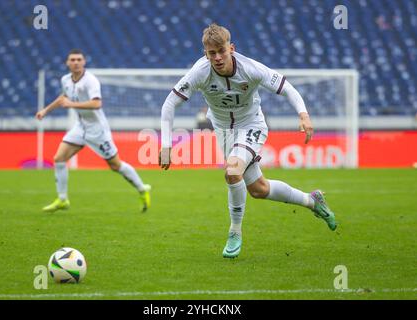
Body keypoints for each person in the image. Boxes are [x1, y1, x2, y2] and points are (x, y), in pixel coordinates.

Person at [159, 24, 337, 259]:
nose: (218, 57)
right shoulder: (199, 72)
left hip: (251, 126)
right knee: (258, 189)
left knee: (233, 171)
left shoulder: (251, 68)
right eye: (212, 53)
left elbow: (287, 88)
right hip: (223, 131)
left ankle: (234, 232)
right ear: (205, 54)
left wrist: (303, 115)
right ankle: (313, 201)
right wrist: (166, 144)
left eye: (222, 50)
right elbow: (170, 103)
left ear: (231, 48)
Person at [36, 49, 151, 213]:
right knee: (59, 158)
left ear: (84, 62)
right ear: (67, 63)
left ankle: (142, 188)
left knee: (115, 165)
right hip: (80, 127)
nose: (76, 62)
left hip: (97, 130)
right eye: (72, 60)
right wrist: (45, 111)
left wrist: (71, 105)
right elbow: (63, 98)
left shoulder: (91, 81)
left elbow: (97, 104)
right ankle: (62, 199)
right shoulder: (66, 80)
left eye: (79, 59)